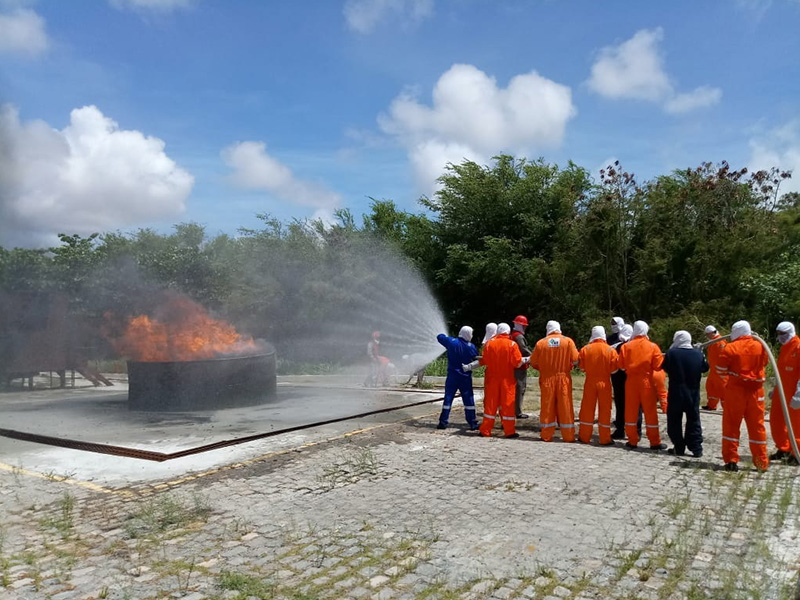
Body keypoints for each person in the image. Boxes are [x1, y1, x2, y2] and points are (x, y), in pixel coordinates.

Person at [717, 320, 769, 472]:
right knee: (757, 427)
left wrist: (732, 376)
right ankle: (761, 463)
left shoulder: (729, 348)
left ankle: (731, 461)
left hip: (735, 392)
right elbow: (765, 362)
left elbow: (720, 369)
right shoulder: (761, 346)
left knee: (731, 426)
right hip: (756, 392)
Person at [617, 321, 666, 450]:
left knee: (631, 411)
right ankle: (654, 442)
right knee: (650, 412)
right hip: (647, 382)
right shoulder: (653, 346)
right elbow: (658, 365)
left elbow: (621, 366)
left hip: (631, 382)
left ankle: (632, 440)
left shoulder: (626, 347)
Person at [472, 323, 524, 438]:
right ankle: (509, 431)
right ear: (508, 332)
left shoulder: (489, 343)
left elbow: (484, 360)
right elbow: (517, 363)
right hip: (507, 380)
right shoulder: (512, 344)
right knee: (507, 405)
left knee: (490, 405)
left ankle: (485, 430)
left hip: (492, 379)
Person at [531, 321, 579, 442]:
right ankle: (568, 436)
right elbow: (575, 360)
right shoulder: (568, 341)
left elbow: (533, 362)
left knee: (547, 406)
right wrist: (568, 367)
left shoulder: (541, 343)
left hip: (547, 378)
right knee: (565, 405)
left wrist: (543, 369)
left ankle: (546, 434)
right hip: (563, 378)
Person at [663, 331, 709, 457]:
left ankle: (679, 446)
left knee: (674, 421)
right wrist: (701, 353)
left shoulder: (671, 353)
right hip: (693, 393)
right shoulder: (698, 354)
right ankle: (696, 448)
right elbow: (705, 368)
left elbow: (665, 367)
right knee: (694, 420)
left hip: (676, 393)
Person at [577, 326, 619, 445]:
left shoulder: (586, 349)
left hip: (590, 382)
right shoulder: (610, 350)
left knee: (587, 409)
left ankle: (584, 436)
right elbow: (614, 370)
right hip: (605, 383)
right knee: (605, 410)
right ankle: (605, 438)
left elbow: (581, 367)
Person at [436, 326, 479, 430]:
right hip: (465, 377)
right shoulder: (471, 347)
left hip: (452, 376)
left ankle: (443, 422)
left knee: (448, 398)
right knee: (468, 400)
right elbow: (476, 359)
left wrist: (443, 334)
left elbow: (439, 337)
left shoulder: (451, 342)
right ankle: (472, 423)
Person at [768, 321, 800, 464]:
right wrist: (775, 389)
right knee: (776, 421)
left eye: (783, 334)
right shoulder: (784, 348)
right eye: (779, 334)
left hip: (794, 394)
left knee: (797, 424)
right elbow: (780, 371)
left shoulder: (798, 347)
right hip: (781, 392)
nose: (780, 337)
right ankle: (784, 448)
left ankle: (796, 453)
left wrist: (799, 395)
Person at [609, 317, 628, 439]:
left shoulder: (628, 341)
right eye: (611, 323)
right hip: (617, 375)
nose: (613, 325)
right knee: (620, 402)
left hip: (626, 375)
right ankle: (621, 427)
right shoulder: (610, 339)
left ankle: (628, 428)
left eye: (615, 323)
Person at [702, 325, 727, 411]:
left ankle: (727, 407)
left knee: (723, 389)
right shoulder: (713, 342)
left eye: (708, 334)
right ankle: (711, 405)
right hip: (713, 370)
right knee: (710, 387)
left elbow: (723, 356)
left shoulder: (720, 342)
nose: (707, 336)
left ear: (712, 333)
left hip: (720, 371)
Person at [511, 315, 531, 419]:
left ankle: (515, 410)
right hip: (520, 367)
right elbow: (524, 350)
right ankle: (517, 411)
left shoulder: (513, 334)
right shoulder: (518, 336)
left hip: (516, 366)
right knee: (520, 388)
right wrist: (534, 357)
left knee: (517, 388)